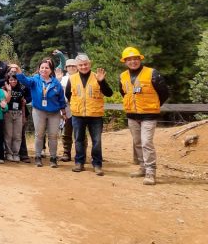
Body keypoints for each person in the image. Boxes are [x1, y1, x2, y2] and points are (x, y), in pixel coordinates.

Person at [119, 47, 169, 185]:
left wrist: (153, 105)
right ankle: (142, 167)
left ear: (140, 59)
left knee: (146, 142)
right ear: (125, 62)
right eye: (129, 59)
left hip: (149, 114)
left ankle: (150, 172)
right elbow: (124, 93)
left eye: (135, 58)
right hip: (132, 115)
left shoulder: (152, 73)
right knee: (137, 142)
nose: (133, 61)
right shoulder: (123, 76)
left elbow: (164, 92)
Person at [65, 53, 113, 176]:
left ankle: (97, 164)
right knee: (79, 140)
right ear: (77, 66)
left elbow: (109, 93)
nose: (83, 67)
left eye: (85, 64)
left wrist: (102, 82)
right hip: (78, 114)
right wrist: (77, 105)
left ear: (89, 64)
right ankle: (79, 162)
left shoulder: (98, 77)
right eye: (81, 65)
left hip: (95, 115)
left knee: (96, 141)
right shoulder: (72, 78)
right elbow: (68, 95)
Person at [15, 60, 66, 168]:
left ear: (51, 70)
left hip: (54, 113)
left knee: (53, 136)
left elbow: (61, 98)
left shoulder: (56, 83)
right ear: (39, 69)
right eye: (42, 67)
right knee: (39, 134)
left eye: (47, 68)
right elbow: (25, 81)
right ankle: (38, 157)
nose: (44, 69)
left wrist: (63, 111)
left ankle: (53, 158)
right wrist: (19, 71)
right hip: (39, 111)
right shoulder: (35, 80)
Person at [58, 57, 78, 162]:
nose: (71, 67)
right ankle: (66, 153)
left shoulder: (81, 77)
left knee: (80, 132)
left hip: (79, 107)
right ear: (66, 67)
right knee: (66, 131)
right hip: (66, 107)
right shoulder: (63, 79)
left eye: (73, 65)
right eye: (69, 66)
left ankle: (80, 153)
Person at [3, 74, 27, 162]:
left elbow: (23, 103)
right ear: (8, 80)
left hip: (18, 113)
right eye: (11, 80)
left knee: (17, 135)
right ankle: (8, 153)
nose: (13, 81)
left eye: (15, 80)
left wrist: (24, 116)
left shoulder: (21, 89)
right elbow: (7, 100)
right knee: (8, 134)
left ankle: (16, 153)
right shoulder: (4, 88)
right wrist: (9, 90)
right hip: (8, 113)